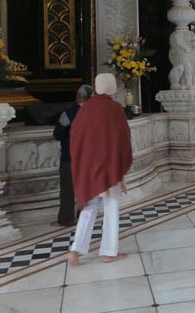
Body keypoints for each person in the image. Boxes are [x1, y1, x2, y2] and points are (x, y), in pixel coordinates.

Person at [68, 73, 133, 266]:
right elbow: (123, 138)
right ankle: (109, 252)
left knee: (88, 208)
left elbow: (76, 138)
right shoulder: (115, 109)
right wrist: (119, 167)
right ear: (112, 87)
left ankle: (75, 251)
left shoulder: (85, 109)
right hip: (109, 166)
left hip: (90, 166)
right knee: (111, 207)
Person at [52, 84, 93, 227]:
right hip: (88, 158)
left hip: (69, 157)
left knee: (67, 190)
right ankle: (84, 218)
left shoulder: (68, 114)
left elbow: (57, 134)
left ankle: (66, 219)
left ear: (78, 97)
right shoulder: (96, 114)